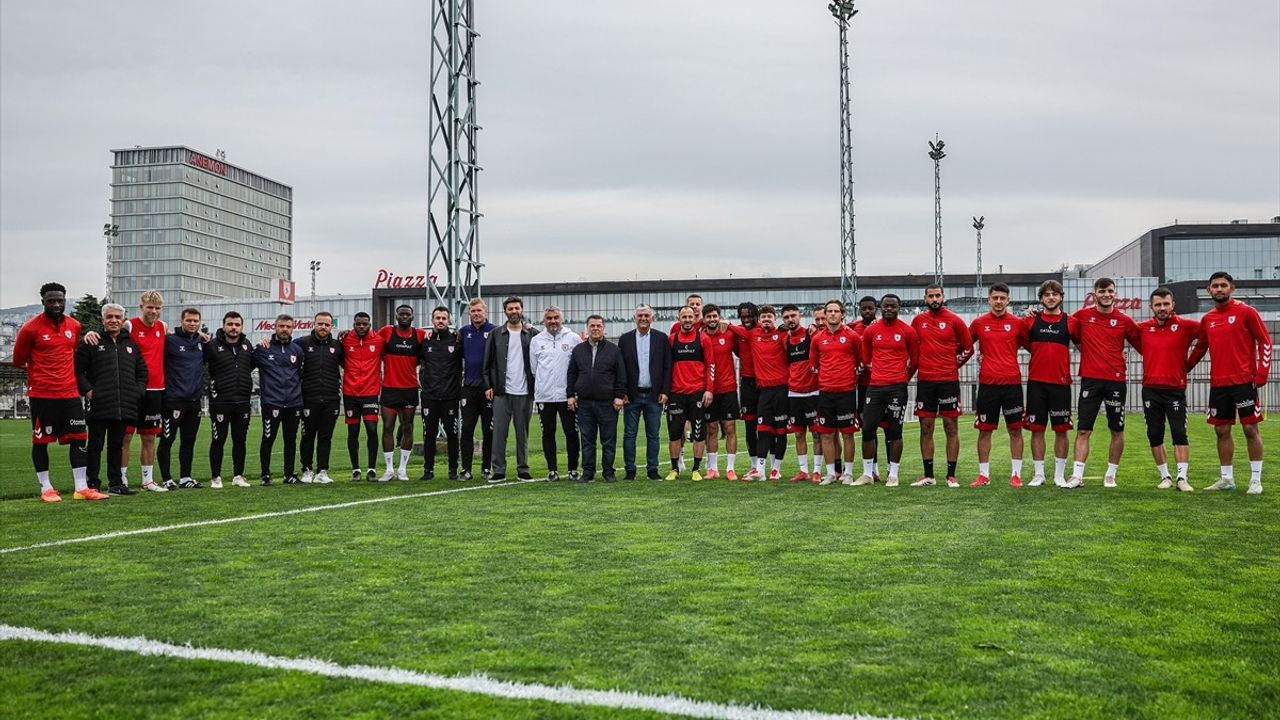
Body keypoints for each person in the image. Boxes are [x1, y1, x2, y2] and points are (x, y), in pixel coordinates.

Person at [13, 282, 98, 502]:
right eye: (51, 301)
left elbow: (72, 352)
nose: (57, 304)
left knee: (79, 438)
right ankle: (46, 488)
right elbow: (18, 360)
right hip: (43, 394)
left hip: (70, 393)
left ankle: (81, 488)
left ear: (65, 300)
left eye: (60, 300)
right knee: (41, 441)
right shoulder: (30, 329)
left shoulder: (75, 325)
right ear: (43, 302)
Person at [1190, 272, 1272, 494]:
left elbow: (1265, 341)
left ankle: (1255, 480)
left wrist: (1262, 373)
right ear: (1209, 291)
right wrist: (1184, 368)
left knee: (1249, 429)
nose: (1219, 289)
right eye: (1214, 286)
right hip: (1219, 384)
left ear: (1231, 288)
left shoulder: (1247, 312)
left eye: (1223, 285)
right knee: (1221, 430)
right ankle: (1227, 479)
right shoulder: (1207, 319)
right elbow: (1200, 348)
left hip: (1244, 381)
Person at [1067, 277, 1142, 489]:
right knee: (1083, 430)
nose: (1106, 294)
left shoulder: (1125, 321)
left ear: (1115, 293)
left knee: (1117, 430)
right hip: (1090, 381)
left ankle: (1111, 474)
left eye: (1110, 291)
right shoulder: (1081, 316)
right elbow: (1061, 325)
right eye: (1102, 291)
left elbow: (1144, 343)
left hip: (1116, 381)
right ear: (1094, 294)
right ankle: (1077, 475)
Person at [75, 302, 148, 497]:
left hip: (124, 405)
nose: (114, 320)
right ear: (103, 320)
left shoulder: (131, 345)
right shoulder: (91, 342)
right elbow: (78, 370)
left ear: (123, 321)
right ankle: (92, 483)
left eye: (118, 317)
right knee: (95, 445)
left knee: (117, 445)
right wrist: (88, 390)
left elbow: (142, 372)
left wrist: (137, 391)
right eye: (110, 317)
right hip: (99, 404)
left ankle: (116, 483)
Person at [1138, 288, 1201, 492]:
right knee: (1154, 433)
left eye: (1166, 304)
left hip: (1175, 389)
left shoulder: (1187, 326)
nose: (1162, 308)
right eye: (1158, 304)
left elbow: (1209, 336)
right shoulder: (1143, 328)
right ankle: (1165, 476)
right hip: (1150, 389)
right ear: (1152, 307)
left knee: (1179, 432)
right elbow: (1120, 334)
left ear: (1173, 305)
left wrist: (1187, 365)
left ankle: (1182, 478)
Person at [910, 284, 973, 487]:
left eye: (938, 295)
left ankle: (951, 475)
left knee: (950, 427)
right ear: (925, 298)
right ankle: (928, 475)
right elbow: (912, 348)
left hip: (948, 382)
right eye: (931, 296)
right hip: (926, 381)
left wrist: (952, 365)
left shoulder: (955, 320)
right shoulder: (918, 321)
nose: (935, 299)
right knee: (926, 427)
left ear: (943, 297)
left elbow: (968, 348)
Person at [968, 283, 1030, 488]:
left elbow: (1035, 346)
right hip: (987, 384)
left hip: (1011, 384)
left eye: (1003, 298)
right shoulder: (978, 323)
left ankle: (1016, 475)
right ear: (989, 300)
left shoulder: (1018, 323)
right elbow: (964, 344)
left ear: (1008, 300)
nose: (999, 302)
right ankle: (983, 475)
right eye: (995, 298)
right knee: (984, 430)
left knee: (1015, 430)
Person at [855, 294, 918, 486]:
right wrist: (878, 373)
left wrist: (902, 378)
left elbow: (914, 360)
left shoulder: (908, 331)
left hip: (897, 388)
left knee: (894, 431)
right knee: (867, 429)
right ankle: (868, 473)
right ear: (880, 308)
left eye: (893, 306)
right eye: (886, 306)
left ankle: (893, 474)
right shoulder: (871, 331)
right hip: (875, 387)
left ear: (899, 308)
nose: (889, 309)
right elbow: (865, 358)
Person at [1023, 280, 1077, 487]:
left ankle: (1059, 475)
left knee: (1061, 429)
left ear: (1061, 297)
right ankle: (1039, 474)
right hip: (1036, 383)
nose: (1051, 297)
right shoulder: (1030, 321)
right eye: (1047, 294)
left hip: (1061, 384)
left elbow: (1084, 344)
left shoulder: (1070, 322)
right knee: (1037, 429)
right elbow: (1017, 341)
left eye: (1055, 294)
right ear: (1041, 299)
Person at [731, 305, 790, 480]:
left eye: (769, 317)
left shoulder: (782, 334)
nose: (766, 319)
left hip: (781, 388)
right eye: (763, 317)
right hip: (760, 387)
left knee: (779, 430)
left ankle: (775, 469)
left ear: (774, 318)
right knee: (761, 428)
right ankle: (759, 469)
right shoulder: (751, 334)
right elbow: (726, 325)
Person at [567, 315, 627, 481]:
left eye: (598, 326)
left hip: (607, 403)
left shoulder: (614, 350)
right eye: (592, 326)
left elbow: (621, 375)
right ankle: (588, 472)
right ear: (587, 328)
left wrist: (619, 396)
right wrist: (570, 395)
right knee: (587, 439)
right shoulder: (578, 350)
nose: (595, 329)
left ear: (603, 328)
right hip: (584, 403)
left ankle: (608, 472)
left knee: (608, 440)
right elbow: (572, 373)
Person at [809, 299, 861, 485]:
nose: (832, 314)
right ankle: (831, 473)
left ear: (842, 314)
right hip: (825, 393)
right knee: (826, 434)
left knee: (848, 433)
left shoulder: (852, 336)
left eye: (835, 311)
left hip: (846, 391)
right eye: (829, 311)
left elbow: (859, 360)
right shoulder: (817, 339)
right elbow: (814, 364)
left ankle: (848, 473)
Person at [484, 296, 535, 481]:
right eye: (510, 308)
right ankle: (499, 470)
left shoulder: (532, 334)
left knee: (523, 433)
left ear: (522, 310)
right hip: (501, 391)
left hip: (524, 392)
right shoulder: (496, 334)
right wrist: (488, 385)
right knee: (499, 433)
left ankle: (523, 469)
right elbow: (487, 363)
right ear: (505, 311)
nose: (514, 311)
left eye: (517, 308)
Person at [121, 290, 168, 492]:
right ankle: (121, 479)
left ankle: (147, 480)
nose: (154, 311)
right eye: (150, 307)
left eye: (157, 308)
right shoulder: (129, 325)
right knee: (125, 436)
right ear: (141, 307)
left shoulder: (163, 327)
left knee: (149, 437)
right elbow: (111, 339)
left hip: (156, 389)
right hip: (132, 389)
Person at [619, 304, 671, 481]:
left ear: (652, 319)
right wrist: (622, 391)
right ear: (635, 318)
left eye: (647, 316)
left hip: (654, 395)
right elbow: (621, 369)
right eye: (640, 315)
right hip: (632, 395)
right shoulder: (624, 339)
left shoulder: (661, 339)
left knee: (653, 435)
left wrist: (665, 390)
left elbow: (667, 367)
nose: (643, 318)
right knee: (629, 434)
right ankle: (630, 470)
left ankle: (652, 469)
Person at [530, 305, 582, 481]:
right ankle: (552, 470)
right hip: (545, 396)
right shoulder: (537, 340)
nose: (553, 321)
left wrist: (573, 393)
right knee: (548, 433)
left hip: (567, 396)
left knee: (571, 432)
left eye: (556, 318)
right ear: (544, 321)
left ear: (562, 319)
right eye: (549, 318)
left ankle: (572, 469)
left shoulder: (574, 338)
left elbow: (578, 367)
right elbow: (534, 368)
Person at [205, 311, 255, 488]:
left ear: (241, 327)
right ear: (224, 325)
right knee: (219, 439)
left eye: (237, 325)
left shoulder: (247, 345)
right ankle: (216, 477)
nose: (233, 328)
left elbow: (252, 365)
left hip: (242, 402)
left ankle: (238, 476)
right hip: (220, 403)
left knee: (240, 440)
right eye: (230, 324)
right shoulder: (211, 346)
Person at [665, 305, 715, 480]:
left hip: (697, 394)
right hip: (676, 394)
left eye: (690, 317)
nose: (687, 320)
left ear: (695, 319)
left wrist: (709, 389)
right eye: (684, 317)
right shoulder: (671, 340)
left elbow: (711, 365)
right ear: (679, 319)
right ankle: (674, 469)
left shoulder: (703, 339)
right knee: (675, 433)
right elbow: (666, 367)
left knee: (698, 433)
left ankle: (696, 469)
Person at [254, 314, 304, 485]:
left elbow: (300, 374)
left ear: (292, 328)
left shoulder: (297, 350)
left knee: (290, 440)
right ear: (274, 327)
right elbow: (245, 365)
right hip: (272, 402)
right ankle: (265, 475)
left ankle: (289, 474)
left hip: (294, 403)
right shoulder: (263, 348)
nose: (284, 329)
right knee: (268, 438)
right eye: (281, 326)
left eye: (288, 327)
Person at [378, 305, 426, 481]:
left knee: (407, 427)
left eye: (408, 314)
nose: (404, 316)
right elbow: (370, 342)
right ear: (396, 316)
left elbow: (427, 356)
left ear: (413, 317)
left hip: (409, 389)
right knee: (388, 427)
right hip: (389, 389)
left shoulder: (420, 335)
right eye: (401, 314)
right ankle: (389, 469)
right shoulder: (386, 332)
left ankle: (403, 469)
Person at [158, 308, 205, 488]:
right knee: (167, 440)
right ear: (182, 321)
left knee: (188, 441)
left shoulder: (201, 341)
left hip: (194, 402)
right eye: (189, 320)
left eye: (195, 321)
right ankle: (167, 479)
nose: (192, 323)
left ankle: (185, 477)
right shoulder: (169, 340)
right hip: (173, 401)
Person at [297, 311, 345, 484]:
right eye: (320, 324)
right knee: (308, 436)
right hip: (309, 398)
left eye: (327, 324)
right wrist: (268, 340)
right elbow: (284, 346)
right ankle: (307, 470)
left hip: (331, 398)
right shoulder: (302, 343)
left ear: (331, 326)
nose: (323, 327)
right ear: (314, 324)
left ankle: (322, 472)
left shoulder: (338, 346)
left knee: (325, 436)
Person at [419, 306, 463, 480]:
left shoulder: (457, 341)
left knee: (452, 435)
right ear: (432, 321)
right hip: (429, 397)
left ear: (449, 321)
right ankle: (428, 470)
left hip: (450, 397)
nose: (441, 321)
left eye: (444, 318)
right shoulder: (425, 342)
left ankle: (453, 469)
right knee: (428, 435)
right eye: (437, 318)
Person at [341, 312, 385, 481]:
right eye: (358, 324)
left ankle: (372, 469)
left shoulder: (379, 341)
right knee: (353, 431)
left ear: (369, 324)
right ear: (354, 324)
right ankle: (356, 469)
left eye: (364, 324)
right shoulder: (345, 340)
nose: (361, 327)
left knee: (372, 430)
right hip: (350, 393)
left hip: (371, 392)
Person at [700, 304, 742, 480]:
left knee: (730, 427)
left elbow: (744, 342)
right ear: (703, 319)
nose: (712, 319)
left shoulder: (729, 334)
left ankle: (730, 468)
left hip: (728, 388)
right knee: (711, 429)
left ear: (719, 317)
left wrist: (730, 324)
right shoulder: (700, 337)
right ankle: (713, 468)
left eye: (715, 316)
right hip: (709, 391)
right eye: (708, 316)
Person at [782, 304, 821, 482]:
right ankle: (803, 470)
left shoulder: (811, 335)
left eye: (793, 315)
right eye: (787, 317)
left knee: (816, 433)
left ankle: (817, 471)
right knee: (798, 434)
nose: (790, 319)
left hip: (813, 392)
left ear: (800, 316)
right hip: (794, 393)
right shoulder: (785, 340)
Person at [459, 298, 496, 481]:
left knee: (488, 430)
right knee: (466, 429)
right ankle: (466, 469)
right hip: (468, 388)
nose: (476, 314)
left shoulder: (495, 331)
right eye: (473, 311)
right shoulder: (464, 332)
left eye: (479, 311)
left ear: (485, 312)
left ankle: (486, 468)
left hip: (488, 389)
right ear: (469, 314)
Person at [851, 295, 880, 480]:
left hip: (883, 384)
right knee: (867, 428)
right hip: (863, 387)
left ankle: (891, 470)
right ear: (860, 309)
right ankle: (873, 469)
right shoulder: (853, 328)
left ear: (876, 308)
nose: (867, 311)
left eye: (870, 308)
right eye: (864, 308)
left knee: (888, 429)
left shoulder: (883, 326)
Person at [734, 302, 761, 474]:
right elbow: (737, 351)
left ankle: (772, 465)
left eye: (749, 316)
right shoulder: (738, 333)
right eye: (743, 317)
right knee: (750, 425)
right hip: (747, 382)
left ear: (756, 315)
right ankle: (753, 465)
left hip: (765, 383)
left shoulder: (763, 330)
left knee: (767, 425)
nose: (746, 320)